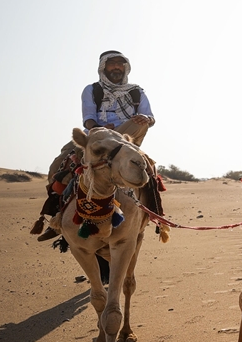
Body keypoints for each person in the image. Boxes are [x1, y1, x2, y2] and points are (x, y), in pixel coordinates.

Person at [32, 50, 155, 240]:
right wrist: (98, 130)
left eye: (120, 63)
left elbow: (150, 117)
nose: (116, 67)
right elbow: (88, 119)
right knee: (59, 164)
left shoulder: (137, 91)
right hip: (98, 136)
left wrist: (145, 118)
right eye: (111, 63)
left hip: (127, 137)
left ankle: (155, 214)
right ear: (103, 67)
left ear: (126, 67)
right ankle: (56, 219)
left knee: (148, 166)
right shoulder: (92, 90)